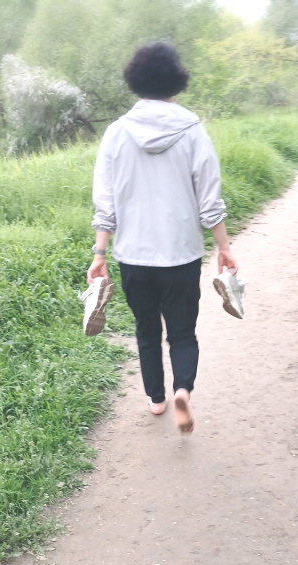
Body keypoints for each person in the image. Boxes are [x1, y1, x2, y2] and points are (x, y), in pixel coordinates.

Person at [85, 41, 239, 434]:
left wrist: (100, 254)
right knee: (183, 333)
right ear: (176, 80)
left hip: (133, 257)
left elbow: (106, 205)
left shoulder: (116, 134)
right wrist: (223, 248)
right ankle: (183, 389)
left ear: (135, 81)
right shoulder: (193, 131)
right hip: (181, 255)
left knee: (146, 329)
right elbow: (210, 202)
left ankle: (156, 399)